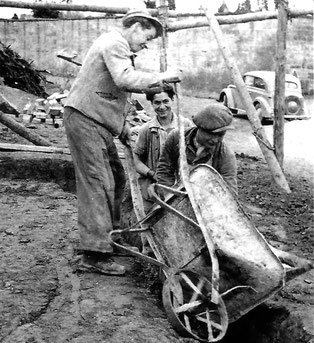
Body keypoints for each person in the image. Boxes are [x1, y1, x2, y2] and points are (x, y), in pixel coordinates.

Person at [63, 9, 181, 276]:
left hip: (97, 122)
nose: (146, 44)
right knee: (98, 182)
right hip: (85, 120)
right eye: (147, 37)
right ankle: (94, 255)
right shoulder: (115, 42)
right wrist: (163, 77)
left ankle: (110, 239)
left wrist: (123, 126)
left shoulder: (119, 47)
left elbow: (112, 94)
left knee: (115, 178)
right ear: (137, 26)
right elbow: (124, 79)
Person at [156, 102, 238, 196]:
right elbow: (164, 171)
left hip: (206, 201)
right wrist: (170, 197)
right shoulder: (177, 138)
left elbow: (229, 194)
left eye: (220, 135)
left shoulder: (225, 155)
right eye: (211, 134)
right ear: (200, 128)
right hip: (175, 194)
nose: (215, 140)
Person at [133, 83, 193, 211]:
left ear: (172, 100)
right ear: (152, 104)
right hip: (153, 188)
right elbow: (136, 161)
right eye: (157, 103)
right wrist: (151, 173)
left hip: (180, 187)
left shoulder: (185, 126)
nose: (162, 107)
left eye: (165, 101)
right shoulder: (147, 130)